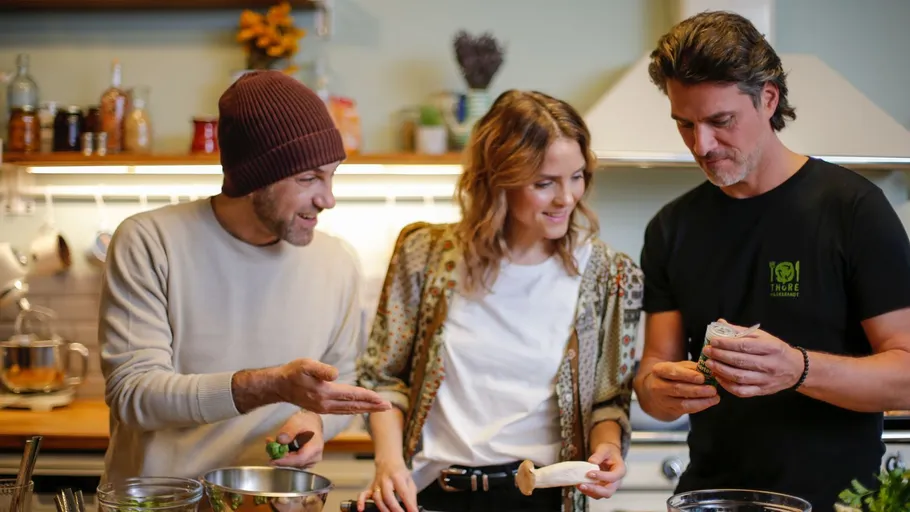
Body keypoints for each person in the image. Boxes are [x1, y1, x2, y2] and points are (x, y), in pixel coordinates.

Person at [633, 10, 910, 511]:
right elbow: (655, 370)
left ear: (768, 98)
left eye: (720, 122)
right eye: (685, 125)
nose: (702, 145)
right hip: (708, 500)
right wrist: (656, 387)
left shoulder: (853, 210)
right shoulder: (671, 228)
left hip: (835, 502)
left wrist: (797, 369)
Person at [355, 90, 644, 512]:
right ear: (498, 179)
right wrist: (388, 461)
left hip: (540, 501)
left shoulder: (609, 275)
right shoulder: (425, 255)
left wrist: (607, 449)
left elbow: (608, 401)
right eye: (545, 183)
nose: (567, 198)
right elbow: (383, 379)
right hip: (431, 494)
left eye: (577, 176)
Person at [98, 70, 391, 483]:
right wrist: (270, 386)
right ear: (255, 178)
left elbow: (343, 379)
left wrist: (315, 420)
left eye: (331, 175)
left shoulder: (337, 261)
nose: (327, 199)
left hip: (270, 505)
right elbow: (133, 395)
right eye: (308, 178)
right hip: (163, 504)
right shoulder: (150, 241)